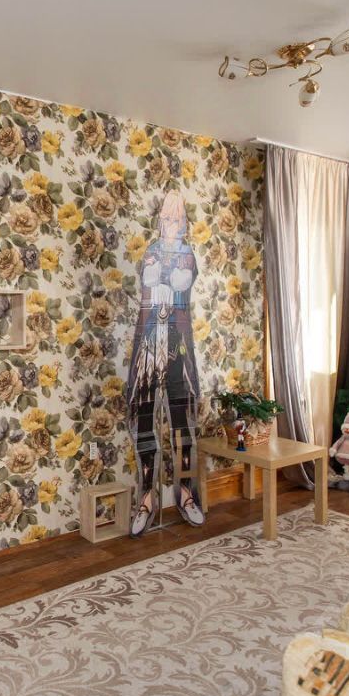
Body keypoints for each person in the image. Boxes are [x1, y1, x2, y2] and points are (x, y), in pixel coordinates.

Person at [126, 191, 204, 536]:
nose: (171, 225)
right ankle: (146, 497)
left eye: (177, 218)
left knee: (181, 422)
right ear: (160, 221)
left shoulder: (187, 255)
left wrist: (167, 271)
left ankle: (185, 493)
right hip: (147, 345)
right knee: (145, 421)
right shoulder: (151, 252)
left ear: (184, 223)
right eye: (167, 218)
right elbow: (149, 279)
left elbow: (180, 283)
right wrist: (159, 268)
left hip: (177, 347)